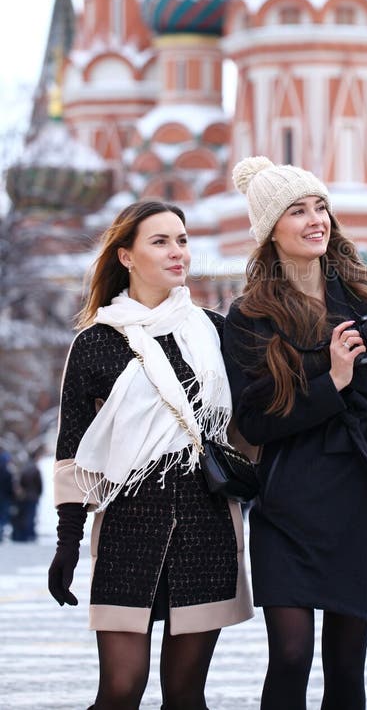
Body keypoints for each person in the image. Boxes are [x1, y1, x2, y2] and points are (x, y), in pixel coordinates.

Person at [223, 156, 367, 710]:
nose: (315, 220)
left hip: (360, 484)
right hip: (289, 492)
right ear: (270, 230)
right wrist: (334, 380)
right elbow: (254, 421)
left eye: (320, 207)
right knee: (290, 655)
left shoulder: (365, 288)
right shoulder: (250, 315)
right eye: (297, 211)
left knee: (346, 665)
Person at [47, 200, 252, 710]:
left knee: (186, 696)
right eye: (160, 242)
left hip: (206, 525)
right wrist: (68, 542)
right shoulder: (96, 342)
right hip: (128, 526)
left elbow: (252, 420)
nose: (177, 251)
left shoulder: (213, 330)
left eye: (182, 240)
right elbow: (72, 449)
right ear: (126, 256)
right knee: (120, 691)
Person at [11, 450, 43, 541]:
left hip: (24, 496)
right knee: (30, 516)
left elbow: (19, 482)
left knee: (24, 516)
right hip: (32, 496)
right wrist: (39, 494)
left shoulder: (24, 468)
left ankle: (23, 535)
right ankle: (30, 535)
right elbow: (39, 484)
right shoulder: (35, 468)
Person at [0, 452, 14, 542]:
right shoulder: (7, 473)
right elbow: (10, 487)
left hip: (3, 497)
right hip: (5, 498)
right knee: (3, 517)